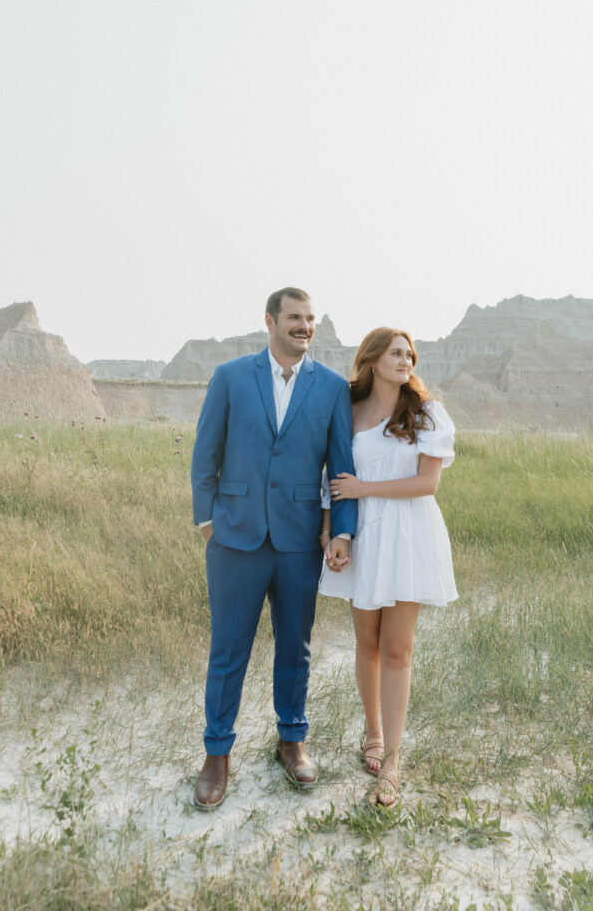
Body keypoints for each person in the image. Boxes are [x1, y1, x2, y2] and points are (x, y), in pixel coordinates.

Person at [190, 287, 357, 809]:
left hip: (299, 541)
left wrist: (343, 530)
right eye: (293, 318)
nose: (303, 326)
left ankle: (292, 739)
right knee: (228, 651)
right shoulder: (231, 377)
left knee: (295, 647)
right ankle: (217, 754)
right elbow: (204, 455)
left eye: (309, 319)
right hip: (235, 539)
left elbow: (341, 467)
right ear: (270, 321)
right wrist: (207, 524)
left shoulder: (331, 388)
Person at [319, 327, 457, 808]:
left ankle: (393, 761)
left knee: (398, 649)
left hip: (409, 536)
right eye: (397, 353)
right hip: (364, 535)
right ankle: (372, 732)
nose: (407, 361)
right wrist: (333, 530)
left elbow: (427, 484)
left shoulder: (426, 413)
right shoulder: (348, 411)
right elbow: (332, 476)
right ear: (373, 360)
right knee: (368, 643)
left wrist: (364, 490)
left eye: (411, 355)